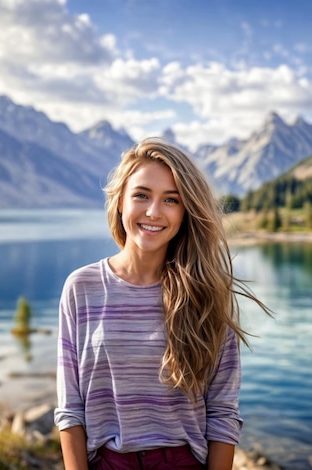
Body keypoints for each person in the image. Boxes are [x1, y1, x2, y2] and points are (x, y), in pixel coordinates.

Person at [54, 137, 270, 469]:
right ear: (121, 202)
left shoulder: (207, 292)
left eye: (171, 200)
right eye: (141, 195)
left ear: (185, 213)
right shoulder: (82, 287)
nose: (154, 212)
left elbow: (223, 412)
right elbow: (70, 408)